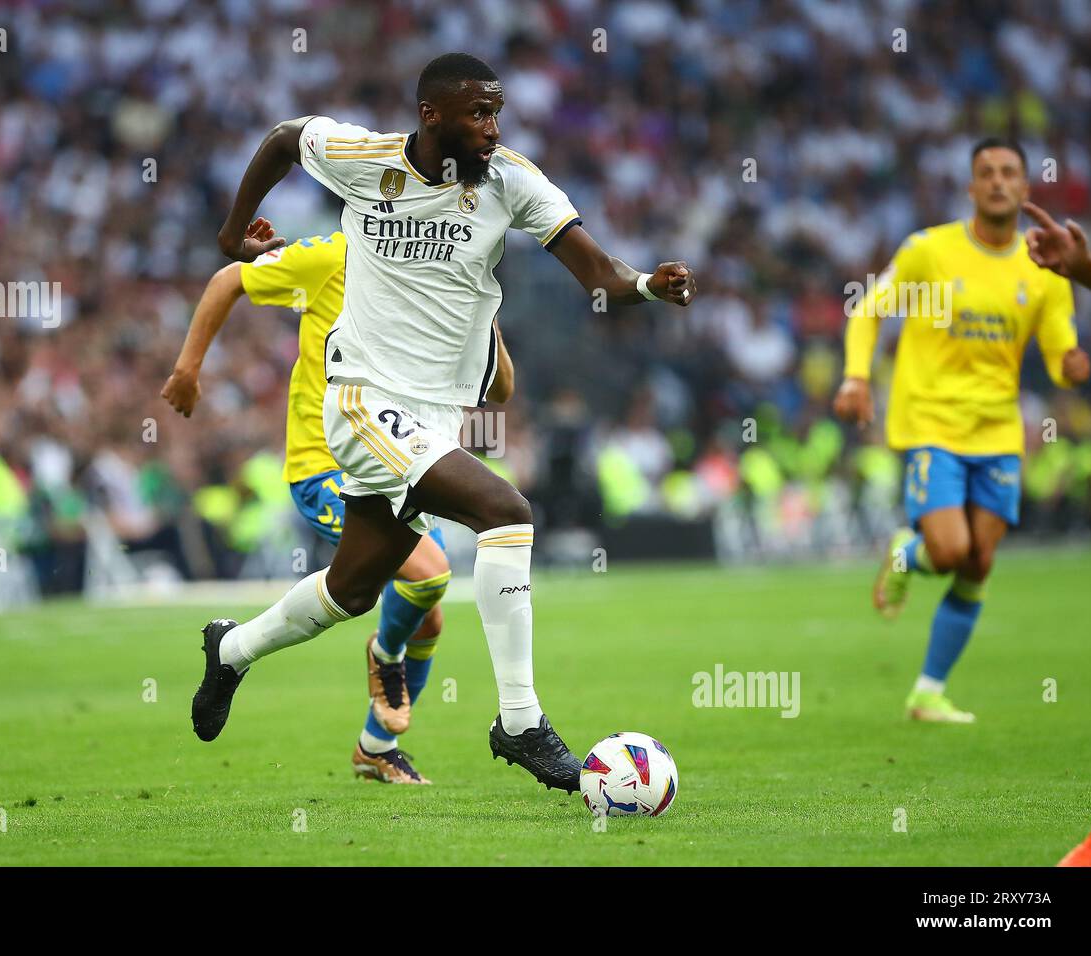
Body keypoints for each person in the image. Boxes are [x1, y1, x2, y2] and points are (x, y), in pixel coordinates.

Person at [182, 52, 695, 793]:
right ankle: (520, 721)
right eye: (478, 114)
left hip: (432, 416)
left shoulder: (512, 181)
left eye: (497, 113)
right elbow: (287, 137)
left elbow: (599, 275)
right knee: (506, 512)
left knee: (352, 591)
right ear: (432, 115)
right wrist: (234, 233)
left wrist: (648, 284)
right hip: (360, 399)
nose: (491, 128)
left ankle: (231, 650)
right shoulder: (366, 160)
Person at [163, 230, 516, 784]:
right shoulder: (333, 255)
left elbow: (500, 391)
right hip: (327, 463)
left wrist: (479, 304)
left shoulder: (433, 278)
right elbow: (229, 278)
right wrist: (187, 368)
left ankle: (370, 742)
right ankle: (383, 656)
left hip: (403, 464)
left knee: (428, 612)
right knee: (428, 575)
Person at [834, 138, 1091, 723]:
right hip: (932, 422)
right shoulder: (930, 251)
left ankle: (928, 691)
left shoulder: (1045, 267)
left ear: (1026, 188)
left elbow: (1059, 352)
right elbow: (869, 309)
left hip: (998, 430)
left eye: (1009, 173)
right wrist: (855, 378)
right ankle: (907, 553)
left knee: (979, 564)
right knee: (950, 552)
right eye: (986, 173)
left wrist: (1071, 365)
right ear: (971, 188)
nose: (998, 182)